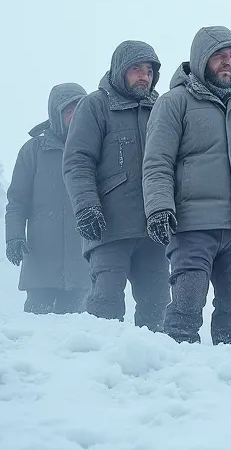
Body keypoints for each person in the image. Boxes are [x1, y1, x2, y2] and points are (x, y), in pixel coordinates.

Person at [142, 25, 231, 345]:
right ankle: (177, 373)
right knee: (187, 304)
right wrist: (159, 207)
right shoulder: (174, 102)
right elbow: (157, 162)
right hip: (193, 224)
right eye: (219, 56)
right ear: (201, 58)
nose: (227, 62)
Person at [63, 41, 169, 331]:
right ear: (120, 69)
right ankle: (101, 370)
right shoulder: (95, 105)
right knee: (105, 305)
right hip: (108, 228)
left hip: (154, 230)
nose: (144, 76)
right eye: (137, 69)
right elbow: (78, 161)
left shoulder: (161, 109)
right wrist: (85, 207)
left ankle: (158, 372)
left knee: (158, 309)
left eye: (149, 71)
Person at [5, 83, 90, 314]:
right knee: (37, 332)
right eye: (68, 110)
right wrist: (13, 237)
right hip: (40, 263)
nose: (75, 116)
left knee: (74, 337)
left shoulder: (94, 150)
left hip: (81, 266)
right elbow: (16, 202)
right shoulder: (32, 150)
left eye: (80, 109)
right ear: (56, 113)